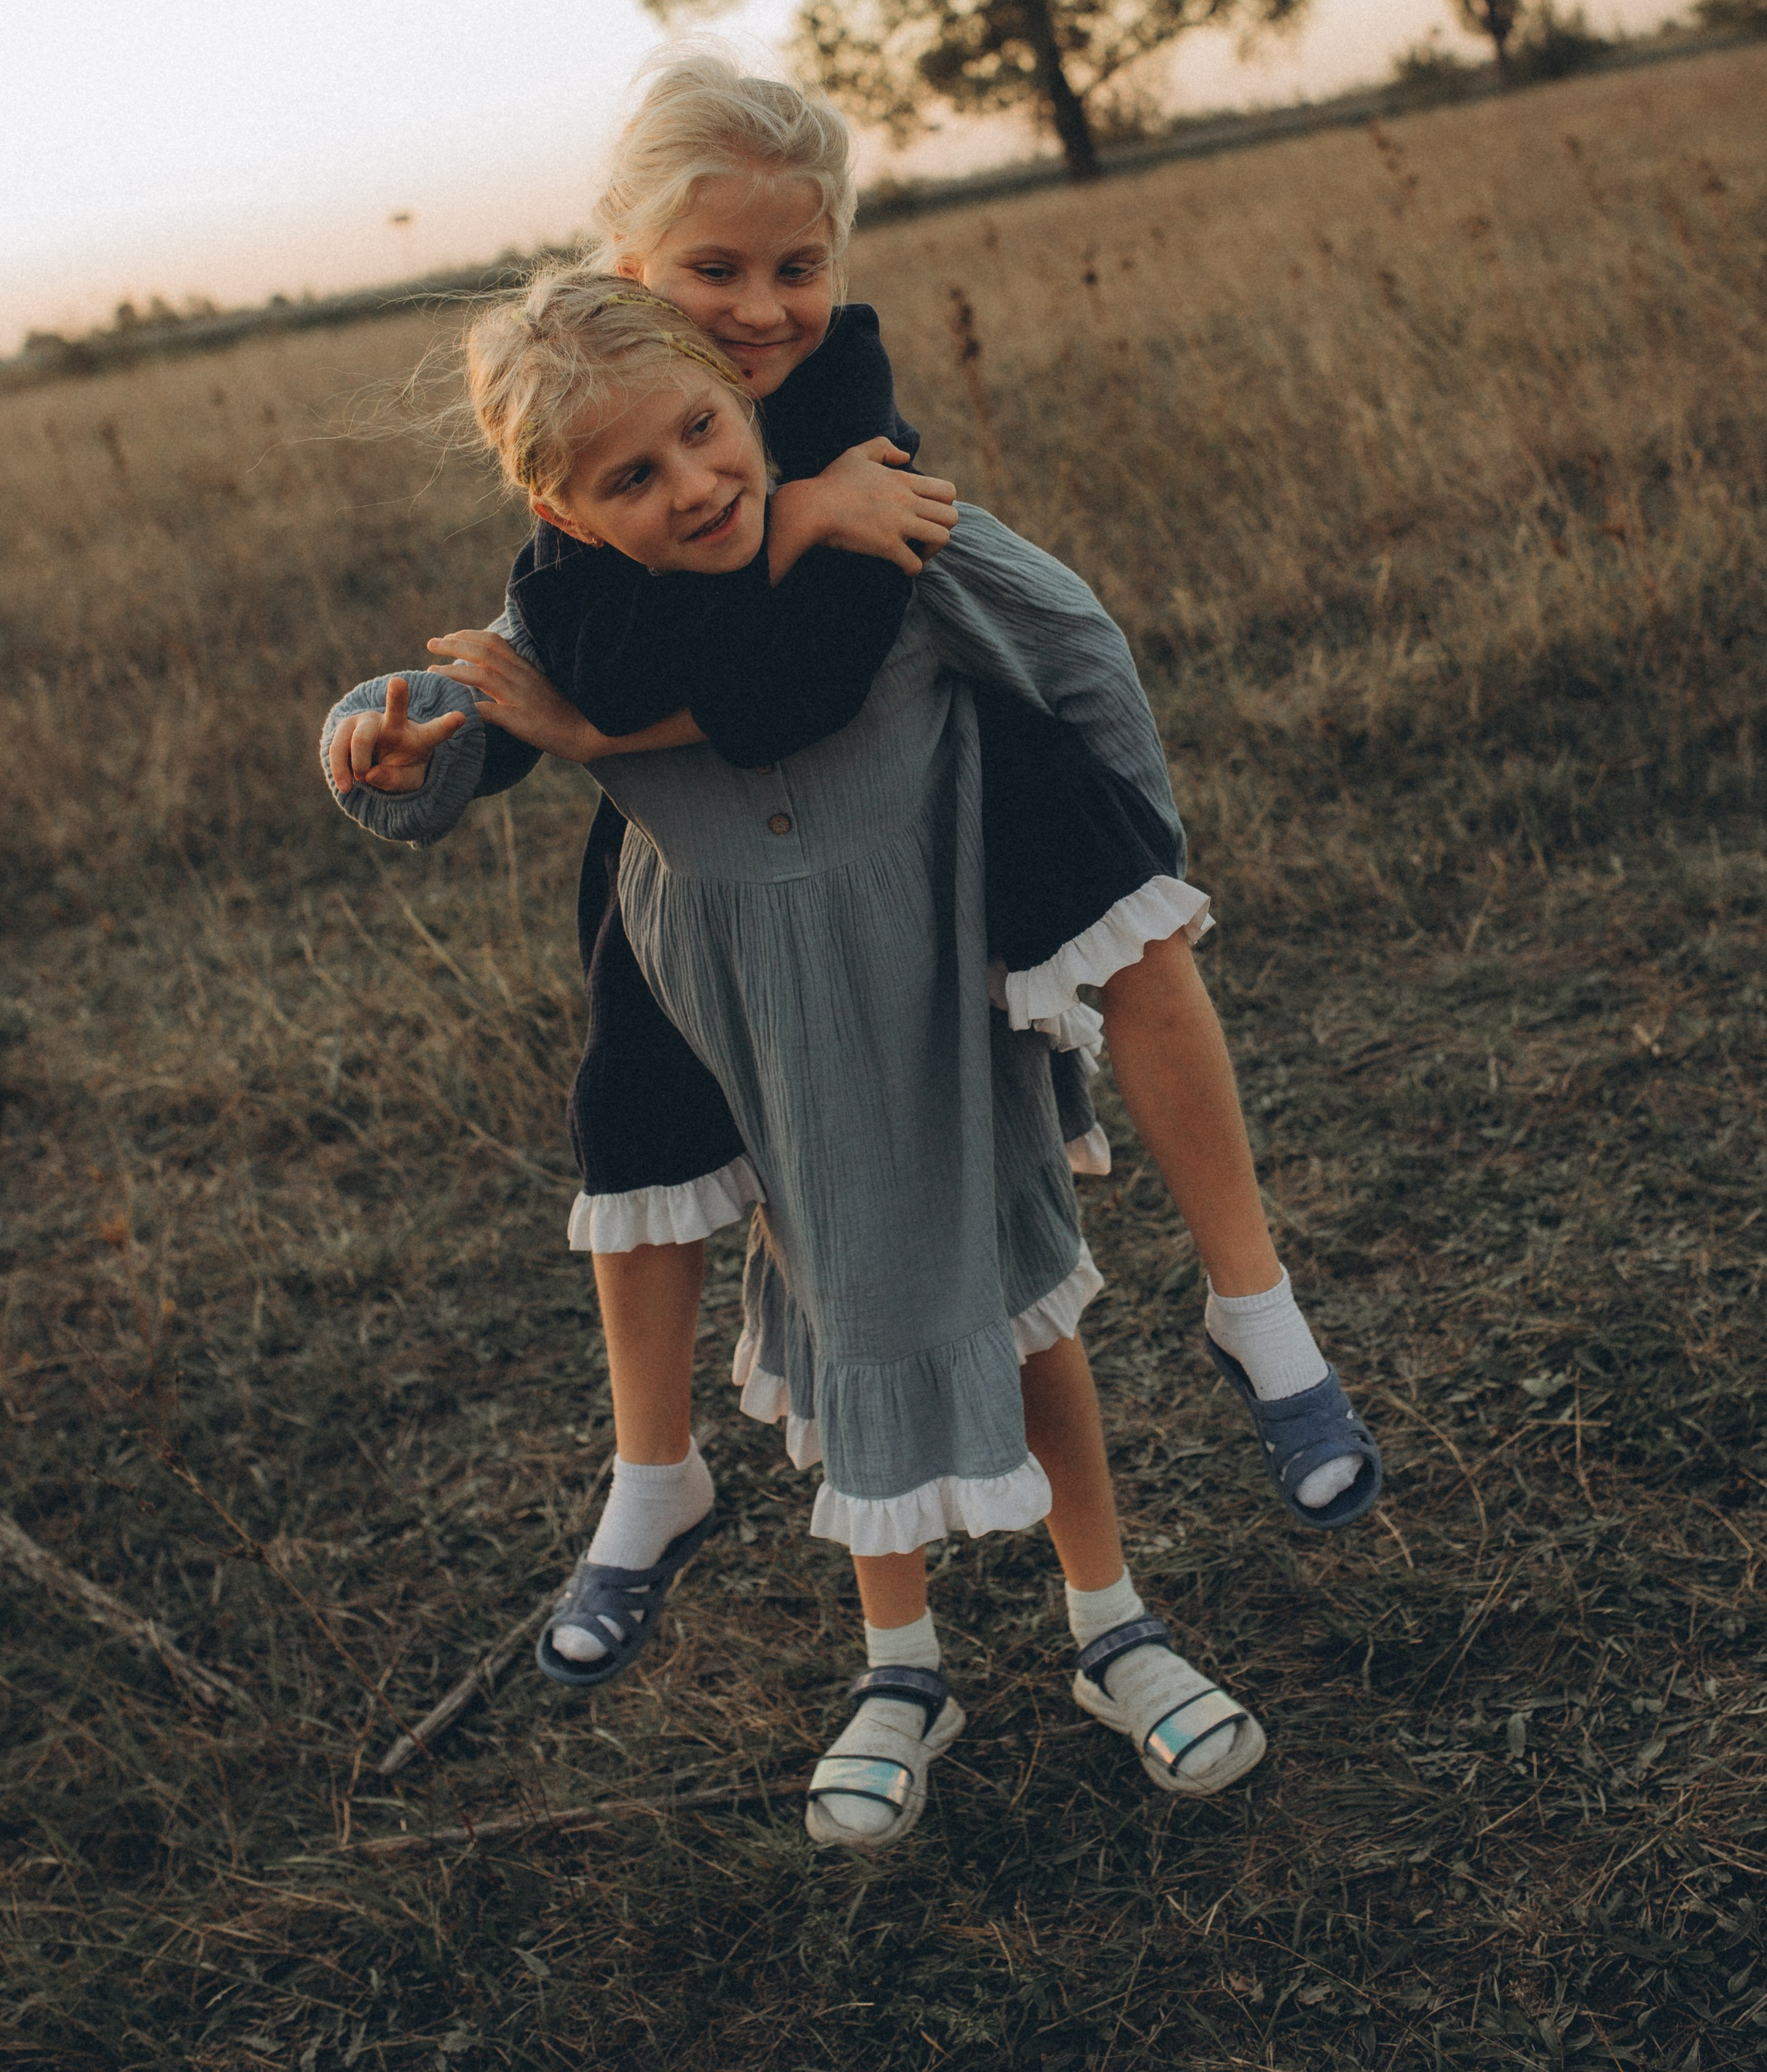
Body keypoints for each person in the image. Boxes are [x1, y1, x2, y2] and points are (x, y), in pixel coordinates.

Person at [325, 278, 1272, 1847]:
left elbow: (1062, 638)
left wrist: (1129, 862)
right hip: (762, 1033)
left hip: (933, 995)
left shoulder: (868, 531)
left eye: (705, 431)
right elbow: (469, 701)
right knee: (840, 1310)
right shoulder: (585, 620)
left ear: (744, 398)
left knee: (1024, 1306)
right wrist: (376, 733)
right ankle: (900, 1670)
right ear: (565, 514)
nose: (694, 485)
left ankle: (1113, 1625)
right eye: (632, 477)